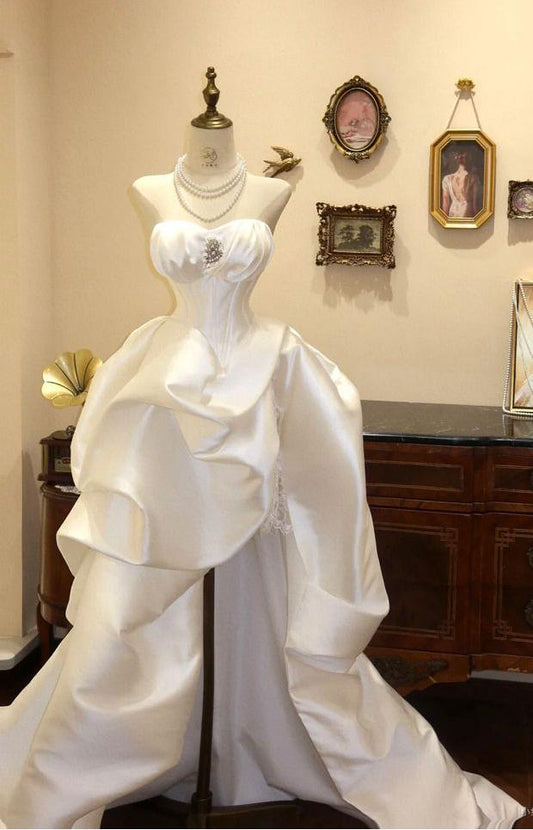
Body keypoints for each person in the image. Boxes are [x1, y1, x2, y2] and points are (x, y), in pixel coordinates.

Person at [0, 72, 527, 829]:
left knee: (261, 576)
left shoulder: (268, 193)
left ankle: (253, 737)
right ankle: (134, 745)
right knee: (146, 589)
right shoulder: (151, 189)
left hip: (260, 373)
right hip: (166, 391)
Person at [441, 145, 482, 218]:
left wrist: (444, 221)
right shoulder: (474, 178)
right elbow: (475, 205)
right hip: (467, 214)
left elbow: (446, 203)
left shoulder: (447, 179)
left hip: (453, 215)